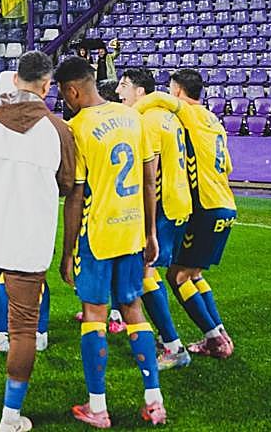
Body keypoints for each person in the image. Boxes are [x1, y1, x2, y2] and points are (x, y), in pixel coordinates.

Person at [0, 55, 76, 432]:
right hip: (29, 234)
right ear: (45, 85)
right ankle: (10, 416)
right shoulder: (58, 129)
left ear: (16, 80)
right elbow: (67, 184)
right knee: (23, 327)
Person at [55, 56, 166, 427]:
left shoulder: (77, 128)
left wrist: (69, 251)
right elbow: (151, 180)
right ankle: (154, 401)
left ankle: (98, 407)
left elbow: (75, 195)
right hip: (133, 230)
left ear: (72, 90)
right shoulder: (134, 116)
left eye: (63, 92)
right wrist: (151, 232)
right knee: (134, 309)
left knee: (94, 315)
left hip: (98, 235)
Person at [135, 68, 237, 360]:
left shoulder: (190, 113)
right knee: (191, 272)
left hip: (205, 207)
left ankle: (210, 339)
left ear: (178, 91)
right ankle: (216, 333)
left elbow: (156, 98)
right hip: (225, 203)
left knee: (177, 276)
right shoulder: (214, 121)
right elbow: (227, 166)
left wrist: (132, 110)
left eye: (171, 89)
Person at [116, 67, 194, 370]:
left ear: (140, 92)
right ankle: (184, 338)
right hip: (179, 202)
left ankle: (173, 346)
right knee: (157, 273)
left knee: (145, 272)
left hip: (163, 206)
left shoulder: (146, 120)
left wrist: (146, 220)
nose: (119, 93)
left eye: (124, 86)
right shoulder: (168, 116)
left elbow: (152, 174)